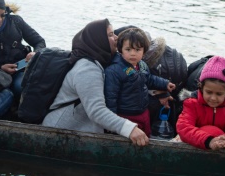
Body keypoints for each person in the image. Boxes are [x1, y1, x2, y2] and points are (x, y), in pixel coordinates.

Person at [42, 19, 150, 147]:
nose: (116, 38)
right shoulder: (87, 69)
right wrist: (129, 129)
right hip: (59, 133)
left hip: (79, 129)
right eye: (110, 35)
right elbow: (96, 111)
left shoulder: (101, 59)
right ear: (99, 40)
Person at [104, 27, 175, 136]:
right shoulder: (114, 71)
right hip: (125, 116)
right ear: (120, 49)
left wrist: (165, 84)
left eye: (137, 50)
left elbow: (149, 79)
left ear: (144, 51)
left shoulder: (142, 65)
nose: (133, 54)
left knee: (145, 137)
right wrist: (112, 122)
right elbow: (110, 98)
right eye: (128, 49)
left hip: (143, 112)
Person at [176, 56, 225, 150]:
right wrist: (208, 141)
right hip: (195, 146)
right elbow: (183, 127)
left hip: (221, 148)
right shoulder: (192, 104)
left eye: (219, 94)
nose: (213, 98)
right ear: (201, 88)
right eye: (209, 92)